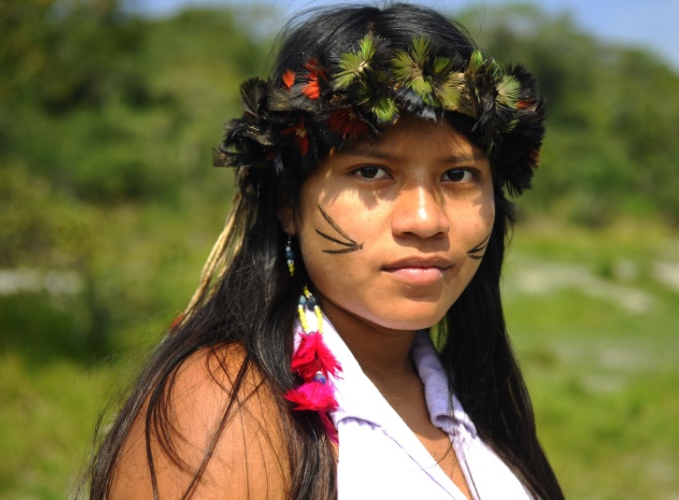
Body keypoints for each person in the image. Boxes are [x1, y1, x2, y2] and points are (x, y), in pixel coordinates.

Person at [88, 3, 564, 498]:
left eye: (458, 175)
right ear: (287, 202)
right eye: (371, 172)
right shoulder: (227, 409)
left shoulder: (472, 399)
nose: (426, 220)